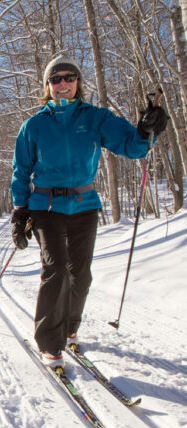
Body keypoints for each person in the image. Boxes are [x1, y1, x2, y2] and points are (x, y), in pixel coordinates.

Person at [10, 54, 168, 368]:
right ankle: (49, 342)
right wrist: (20, 210)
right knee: (55, 269)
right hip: (46, 206)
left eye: (69, 77)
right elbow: (20, 171)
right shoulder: (34, 125)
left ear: (78, 83)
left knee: (79, 275)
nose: (63, 83)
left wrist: (147, 129)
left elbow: (132, 146)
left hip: (84, 206)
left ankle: (69, 327)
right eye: (56, 79)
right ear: (48, 86)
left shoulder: (95, 118)